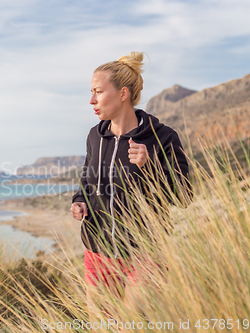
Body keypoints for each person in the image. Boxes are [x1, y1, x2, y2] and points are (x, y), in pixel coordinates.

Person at [69, 51, 193, 325]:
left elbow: (184, 196)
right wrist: (80, 200)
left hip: (146, 253)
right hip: (98, 250)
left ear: (123, 93)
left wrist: (150, 167)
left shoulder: (162, 137)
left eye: (98, 91)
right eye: (91, 92)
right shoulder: (95, 136)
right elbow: (87, 178)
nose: (91, 100)